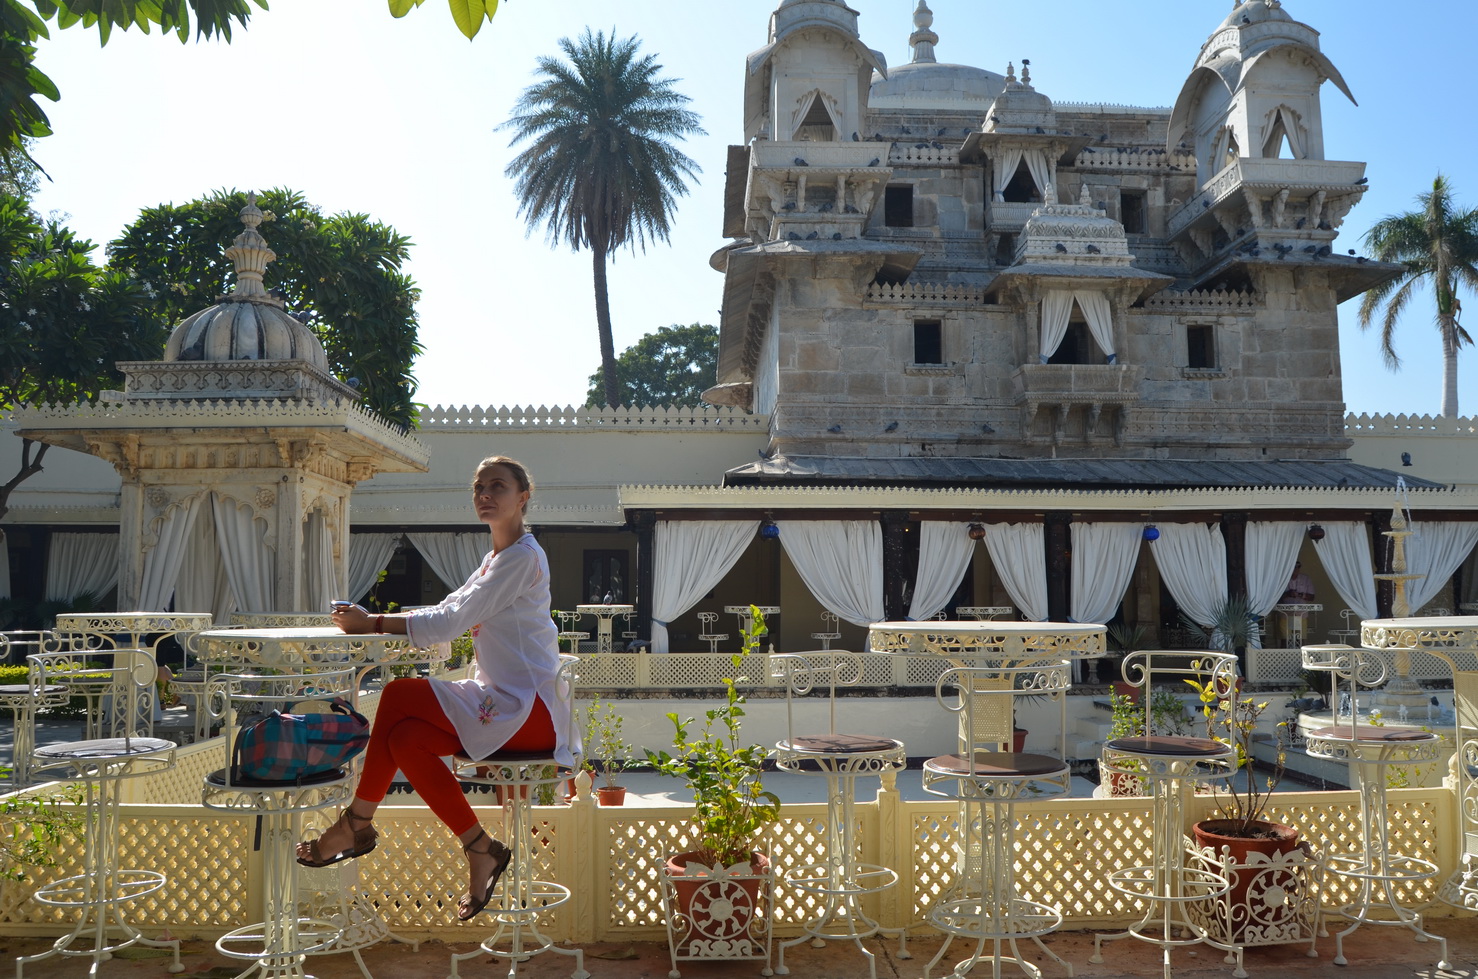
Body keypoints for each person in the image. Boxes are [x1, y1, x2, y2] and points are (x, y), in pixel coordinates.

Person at [295, 456, 574, 922]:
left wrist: (375, 623)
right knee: (405, 738)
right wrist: (373, 619)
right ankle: (480, 847)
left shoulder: (522, 558)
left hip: (530, 712)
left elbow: (451, 622)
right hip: (502, 703)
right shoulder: (495, 559)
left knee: (400, 695)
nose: (485, 494)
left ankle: (355, 825)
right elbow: (450, 606)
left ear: (522, 498)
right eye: (479, 487)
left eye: (498, 487)